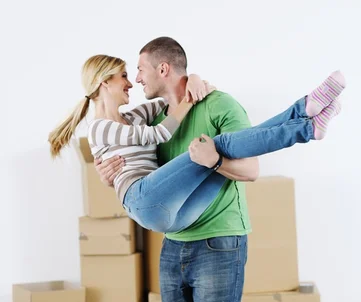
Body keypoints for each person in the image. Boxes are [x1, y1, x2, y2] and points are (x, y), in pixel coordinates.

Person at [80, 38, 346, 302]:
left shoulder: (218, 103)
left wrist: (211, 158)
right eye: (126, 75)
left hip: (219, 241)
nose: (134, 79)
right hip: (174, 238)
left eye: (140, 71)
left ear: (163, 70)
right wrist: (107, 171)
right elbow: (141, 142)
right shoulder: (152, 115)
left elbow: (252, 170)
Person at [49, 53, 345, 237]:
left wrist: (194, 79)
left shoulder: (133, 116)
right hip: (142, 199)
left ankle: (308, 118)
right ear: (104, 83)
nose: (131, 82)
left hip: (173, 217)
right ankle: (305, 120)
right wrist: (190, 96)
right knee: (215, 146)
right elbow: (160, 133)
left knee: (218, 159)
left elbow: (170, 102)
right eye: (125, 75)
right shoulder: (100, 129)